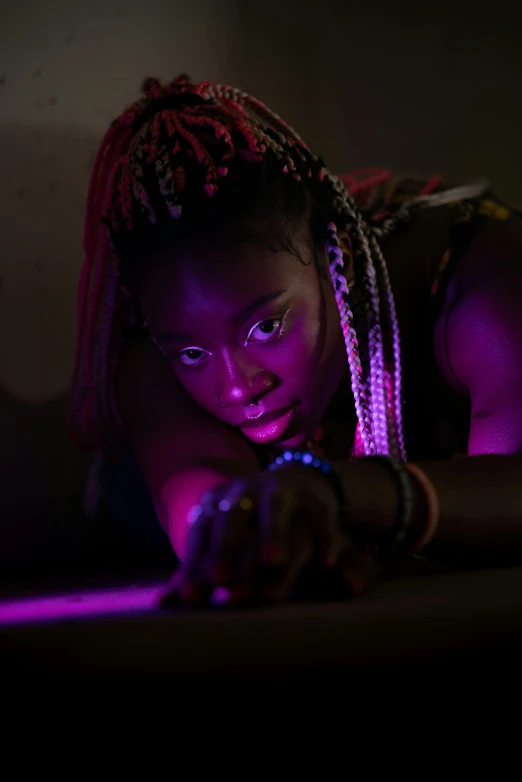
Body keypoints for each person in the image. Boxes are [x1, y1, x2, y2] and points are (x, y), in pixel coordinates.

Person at [69, 74, 522, 606]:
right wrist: (258, 528)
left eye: (266, 327)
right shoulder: (154, 362)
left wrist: (341, 492)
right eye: (193, 353)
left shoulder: (477, 290)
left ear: (340, 261)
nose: (237, 390)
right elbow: (208, 509)